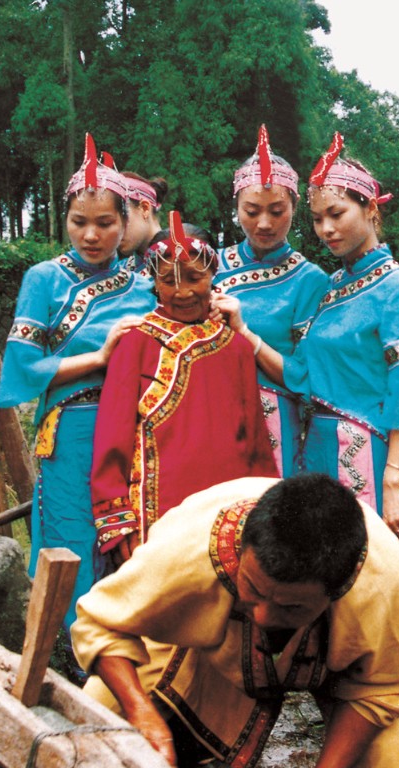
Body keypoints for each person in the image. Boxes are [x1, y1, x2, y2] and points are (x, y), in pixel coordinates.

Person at [73, 473, 399, 768]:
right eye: (253, 587)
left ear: (336, 591)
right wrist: (140, 710)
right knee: (94, 716)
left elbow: (376, 692)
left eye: (291, 609)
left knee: (381, 767)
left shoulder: (380, 581)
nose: (264, 616)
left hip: (334, 665)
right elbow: (102, 623)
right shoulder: (191, 547)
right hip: (207, 642)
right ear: (240, 551)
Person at [221, 133, 399, 532]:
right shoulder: (332, 286)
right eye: (318, 219)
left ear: (370, 208)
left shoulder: (396, 288)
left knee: (363, 571)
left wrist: (393, 476)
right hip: (315, 446)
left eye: (337, 214)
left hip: (364, 448)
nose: (326, 229)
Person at [0, 135, 155, 632]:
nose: (91, 234)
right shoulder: (43, 279)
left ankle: (123, 641)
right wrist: (99, 357)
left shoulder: (146, 285)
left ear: (126, 223)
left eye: (105, 223)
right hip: (69, 429)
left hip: (133, 432)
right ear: (63, 220)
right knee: (70, 533)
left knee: (128, 535)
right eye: (79, 222)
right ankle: (67, 642)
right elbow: (23, 365)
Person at [90, 212, 277, 565]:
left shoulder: (235, 346)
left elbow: (254, 438)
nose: (183, 291)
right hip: (156, 515)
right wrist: (118, 521)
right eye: (168, 280)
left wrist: (265, 506)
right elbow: (111, 437)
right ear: (154, 283)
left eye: (194, 277)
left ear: (212, 275)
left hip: (228, 511)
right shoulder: (136, 344)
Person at [211, 126, 328, 474]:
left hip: (276, 422)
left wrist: (246, 336)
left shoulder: (310, 280)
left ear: (294, 206)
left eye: (277, 210)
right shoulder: (209, 266)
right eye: (251, 211)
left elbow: (304, 376)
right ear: (236, 208)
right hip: (211, 412)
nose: (264, 223)